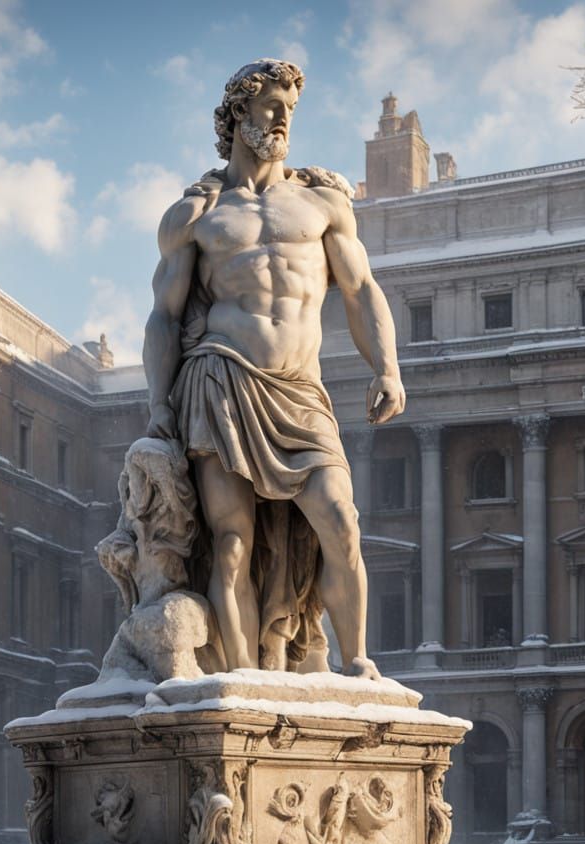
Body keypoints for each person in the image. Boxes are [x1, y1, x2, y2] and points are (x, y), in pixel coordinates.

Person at [143, 58, 405, 678]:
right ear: (239, 113)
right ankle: (244, 684)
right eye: (271, 106)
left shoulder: (322, 204)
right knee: (231, 543)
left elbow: (362, 290)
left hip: (299, 390)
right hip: (220, 381)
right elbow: (164, 316)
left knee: (340, 521)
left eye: (290, 108)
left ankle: (357, 662)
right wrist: (158, 405)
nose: (284, 118)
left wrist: (387, 367)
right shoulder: (195, 215)